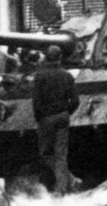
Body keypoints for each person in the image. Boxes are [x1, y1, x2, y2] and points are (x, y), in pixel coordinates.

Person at [31, 46, 79, 193]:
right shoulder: (67, 75)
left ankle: (67, 183)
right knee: (61, 155)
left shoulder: (39, 76)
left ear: (46, 57)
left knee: (46, 154)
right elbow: (76, 100)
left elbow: (36, 101)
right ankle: (65, 185)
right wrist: (66, 112)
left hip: (46, 117)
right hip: (63, 116)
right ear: (60, 57)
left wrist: (40, 117)